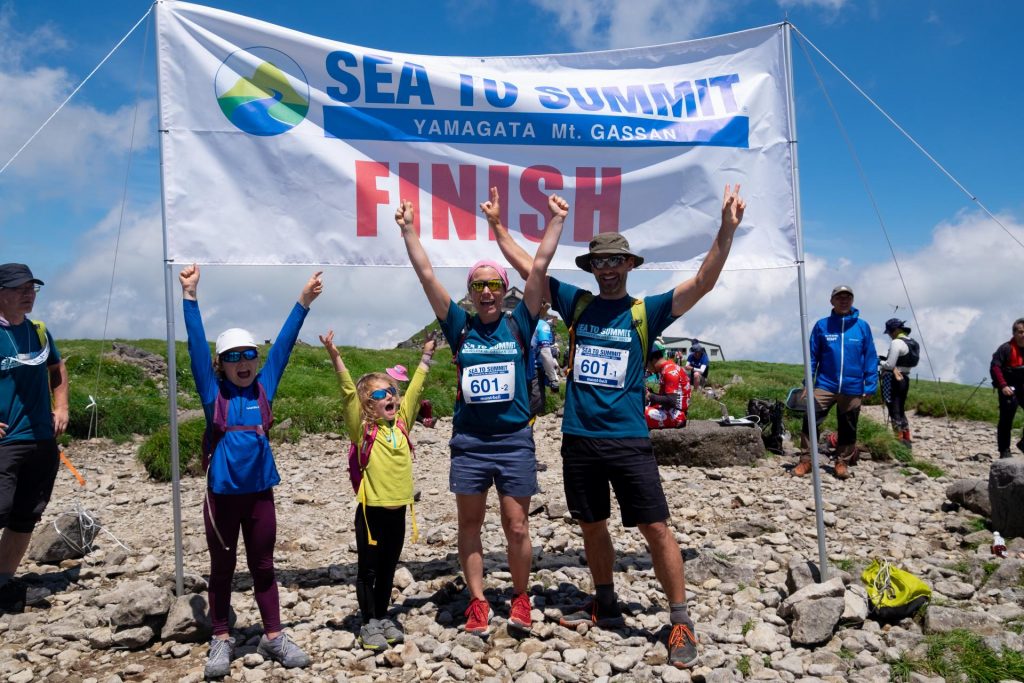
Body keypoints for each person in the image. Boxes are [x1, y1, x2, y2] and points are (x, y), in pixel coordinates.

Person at [487, 184, 746, 670]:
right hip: (579, 438)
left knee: (655, 526)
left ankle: (679, 618)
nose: (607, 270)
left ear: (628, 266)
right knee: (592, 524)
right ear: (593, 269)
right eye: (599, 264)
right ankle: (605, 601)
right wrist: (499, 227)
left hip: (628, 438)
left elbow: (703, 283)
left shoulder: (646, 311)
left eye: (615, 262)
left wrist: (725, 231)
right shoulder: (578, 305)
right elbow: (531, 269)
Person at [396, 187, 568, 637]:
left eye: (494, 284)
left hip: (514, 440)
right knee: (469, 524)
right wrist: (409, 230)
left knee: (516, 525)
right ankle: (477, 601)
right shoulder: (460, 326)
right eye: (479, 285)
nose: (488, 291)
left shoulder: (520, 321)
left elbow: (541, 268)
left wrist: (555, 221)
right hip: (470, 443)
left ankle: (521, 597)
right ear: (470, 293)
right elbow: (426, 274)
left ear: (502, 291)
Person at [179, 264, 318, 679]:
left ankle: (273, 636)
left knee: (263, 566)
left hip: (259, 495)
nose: (243, 363)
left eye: (249, 355)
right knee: (222, 569)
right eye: (232, 358)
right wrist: (190, 296)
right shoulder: (213, 394)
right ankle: (221, 637)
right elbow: (192, 349)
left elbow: (285, 349)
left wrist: (302, 304)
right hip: (221, 497)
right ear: (220, 365)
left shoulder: (264, 387)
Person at [320, 330, 435, 650]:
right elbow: (346, 392)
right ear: (367, 405)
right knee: (367, 570)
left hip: (398, 511)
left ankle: (383, 617)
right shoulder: (363, 429)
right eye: (382, 393)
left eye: (392, 392)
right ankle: (368, 623)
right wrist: (335, 355)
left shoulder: (401, 424)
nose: (391, 397)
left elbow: (414, 391)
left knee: (387, 569)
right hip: (370, 514)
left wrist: (425, 357)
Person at [0, 263, 69, 613]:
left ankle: (3, 582)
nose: (28, 294)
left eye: (32, 288)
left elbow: (57, 370)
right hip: (5, 442)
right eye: (18, 288)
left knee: (26, 515)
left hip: (42, 439)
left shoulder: (39, 331)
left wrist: (62, 407)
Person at [795, 285, 878, 480]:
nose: (843, 300)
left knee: (848, 426)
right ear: (832, 301)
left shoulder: (862, 326)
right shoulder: (822, 326)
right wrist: (809, 382)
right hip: (825, 384)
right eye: (839, 297)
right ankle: (806, 460)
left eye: (847, 297)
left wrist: (870, 383)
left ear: (852, 301)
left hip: (853, 386)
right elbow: (812, 356)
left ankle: (842, 462)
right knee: (811, 418)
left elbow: (870, 356)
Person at [878, 318, 919, 447]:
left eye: (890, 332)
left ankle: (899, 442)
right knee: (900, 409)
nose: (889, 335)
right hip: (905, 378)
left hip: (892, 378)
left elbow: (889, 365)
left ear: (895, 330)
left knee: (893, 409)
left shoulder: (896, 342)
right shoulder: (913, 343)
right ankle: (906, 439)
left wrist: (879, 362)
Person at [990, 318, 1024, 459]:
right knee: (1006, 418)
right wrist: (1003, 385)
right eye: (1021, 332)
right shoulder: (1005, 349)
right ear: (1014, 333)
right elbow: (995, 367)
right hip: (1008, 386)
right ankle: (1004, 450)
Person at [645, 341, 692, 429]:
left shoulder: (669, 371)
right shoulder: (667, 368)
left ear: (653, 360)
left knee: (639, 413)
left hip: (676, 416)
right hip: (670, 410)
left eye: (646, 364)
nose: (647, 368)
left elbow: (671, 400)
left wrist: (650, 396)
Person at [529, 301, 561, 413]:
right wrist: (553, 379)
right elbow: (545, 353)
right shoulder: (542, 325)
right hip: (534, 372)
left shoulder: (518, 320)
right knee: (534, 409)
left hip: (517, 370)